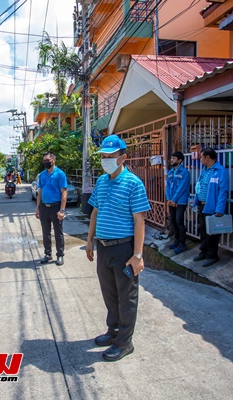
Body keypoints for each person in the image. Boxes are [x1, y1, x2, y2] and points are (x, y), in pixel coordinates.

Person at [86, 135, 150, 362]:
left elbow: (139, 221)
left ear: (123, 157)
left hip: (124, 249)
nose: (105, 160)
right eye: (103, 156)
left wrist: (138, 255)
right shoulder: (102, 182)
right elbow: (95, 212)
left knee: (127, 297)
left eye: (110, 157)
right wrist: (90, 240)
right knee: (109, 294)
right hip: (103, 248)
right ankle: (112, 331)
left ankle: (124, 343)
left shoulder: (133, 183)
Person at [192, 147, 229, 267]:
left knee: (212, 233)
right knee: (202, 230)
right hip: (202, 206)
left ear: (208, 157)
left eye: (202, 157)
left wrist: (219, 209)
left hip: (212, 207)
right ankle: (203, 251)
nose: (200, 159)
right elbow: (200, 186)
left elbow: (223, 191)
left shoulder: (220, 171)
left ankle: (212, 255)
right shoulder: (204, 170)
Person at [36, 152, 68, 265]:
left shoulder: (60, 174)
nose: (46, 162)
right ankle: (47, 254)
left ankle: (60, 255)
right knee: (46, 233)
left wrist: (62, 210)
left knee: (58, 233)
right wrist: (38, 208)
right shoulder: (42, 175)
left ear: (53, 160)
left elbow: (64, 193)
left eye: (48, 160)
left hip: (56, 207)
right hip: (44, 207)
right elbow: (40, 192)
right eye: (44, 160)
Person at [166, 151, 190, 254]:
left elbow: (182, 187)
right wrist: (169, 199)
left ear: (180, 160)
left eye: (174, 158)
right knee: (172, 220)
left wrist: (174, 199)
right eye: (171, 158)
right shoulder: (170, 172)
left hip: (180, 200)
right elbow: (167, 187)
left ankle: (182, 243)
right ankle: (176, 240)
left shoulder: (184, 172)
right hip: (172, 200)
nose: (171, 160)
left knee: (179, 220)